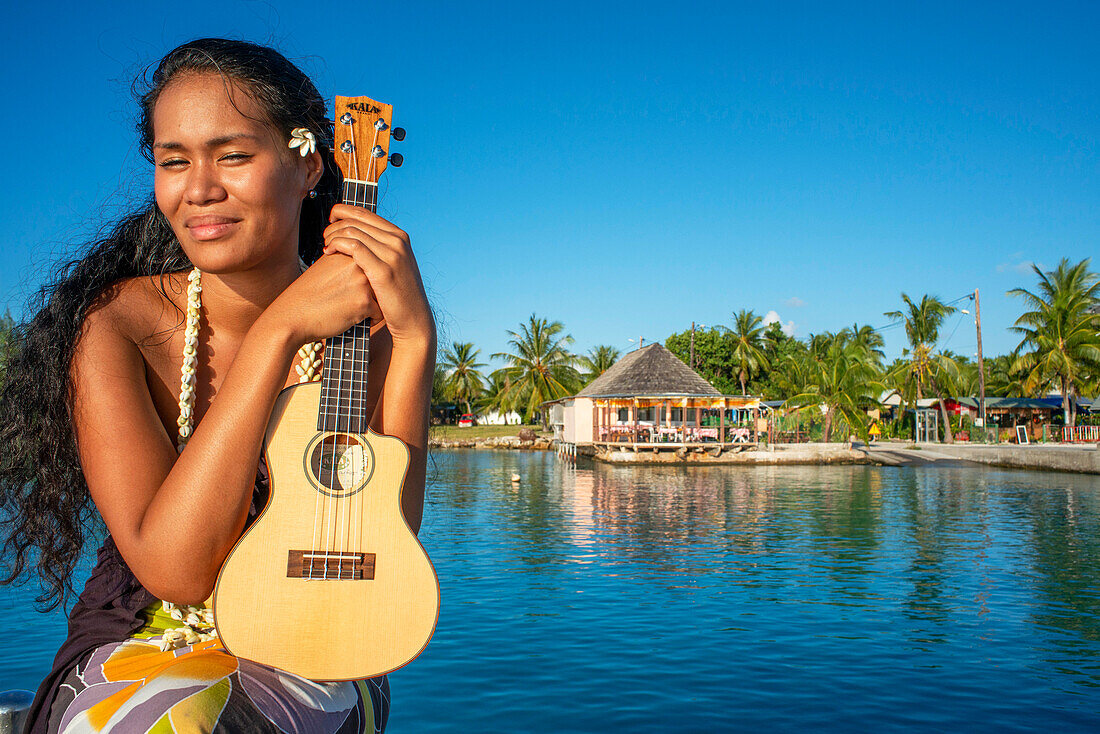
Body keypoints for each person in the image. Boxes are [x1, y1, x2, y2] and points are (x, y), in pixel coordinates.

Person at [0, 38, 435, 733]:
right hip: (146, 635)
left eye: (232, 155)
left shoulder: (369, 332)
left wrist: (415, 341)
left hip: (322, 635)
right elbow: (178, 572)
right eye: (174, 161)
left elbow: (385, 538)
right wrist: (277, 335)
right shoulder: (119, 325)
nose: (198, 188)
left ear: (309, 164)